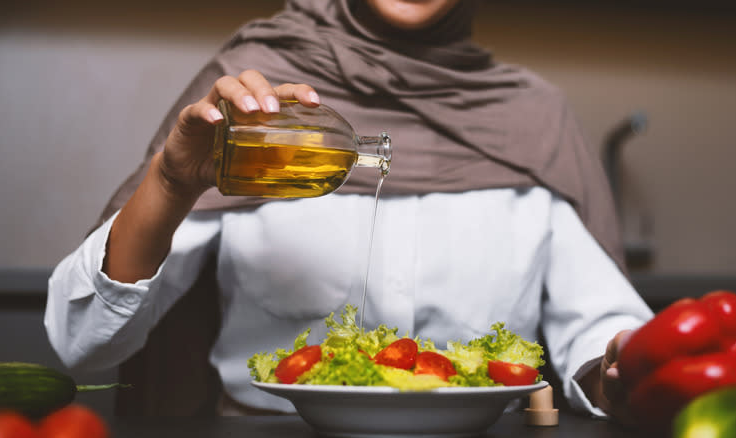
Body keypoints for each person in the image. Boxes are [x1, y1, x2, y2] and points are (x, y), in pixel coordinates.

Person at [44, 0, 652, 423]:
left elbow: (599, 333)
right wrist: (172, 183)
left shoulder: (533, 117)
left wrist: (625, 370)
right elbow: (86, 343)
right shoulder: (254, 109)